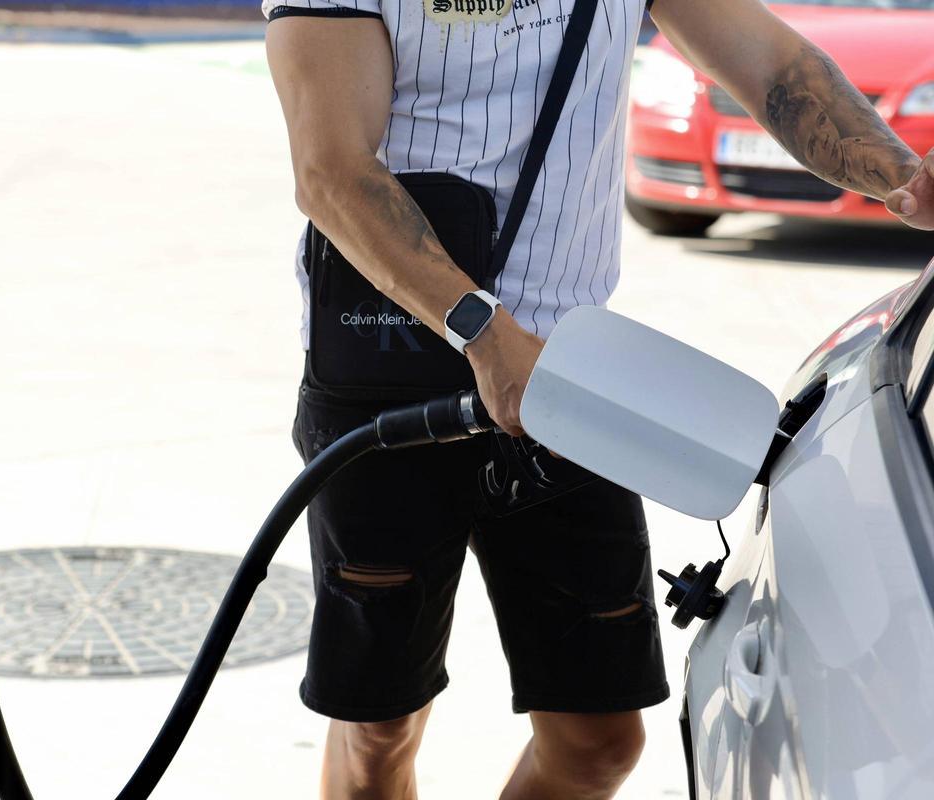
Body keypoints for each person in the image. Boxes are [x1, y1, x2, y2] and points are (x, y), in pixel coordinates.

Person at [261, 0, 934, 796]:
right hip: (390, 369)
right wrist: (484, 332)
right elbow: (332, 170)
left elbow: (773, 67)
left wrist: (908, 180)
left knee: (599, 739)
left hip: (570, 375)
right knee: (380, 727)